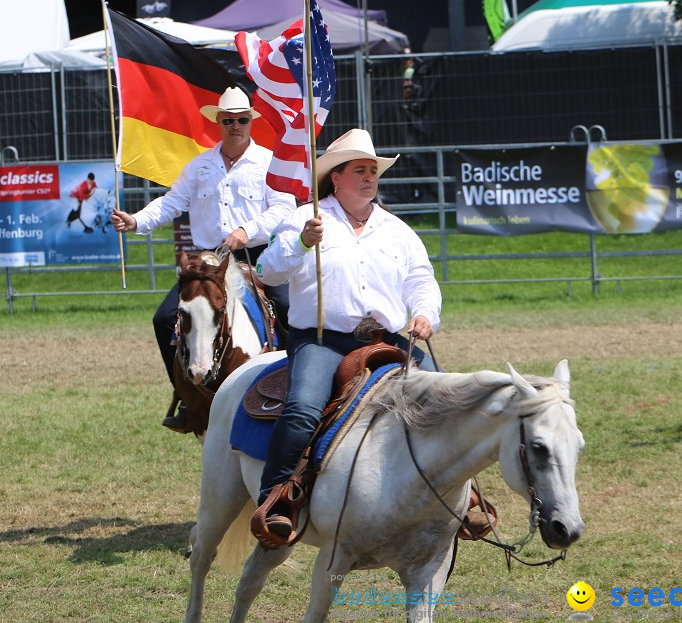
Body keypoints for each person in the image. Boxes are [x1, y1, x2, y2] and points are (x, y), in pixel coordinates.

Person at [253, 128, 441, 539]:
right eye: (360, 170)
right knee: (303, 409)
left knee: (441, 400)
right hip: (320, 340)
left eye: (373, 170)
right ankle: (276, 499)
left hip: (386, 341)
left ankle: (454, 499)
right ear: (336, 177)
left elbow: (422, 280)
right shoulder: (305, 218)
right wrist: (301, 243)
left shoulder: (397, 230)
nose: (370, 177)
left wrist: (425, 313)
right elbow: (267, 271)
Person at [111, 86, 296, 428]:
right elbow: (171, 203)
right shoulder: (199, 167)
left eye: (242, 119)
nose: (235, 126)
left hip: (258, 255)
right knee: (164, 318)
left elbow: (285, 207)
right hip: (208, 260)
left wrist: (248, 230)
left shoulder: (268, 163)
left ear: (251, 122)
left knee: (289, 309)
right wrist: (136, 221)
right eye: (228, 120)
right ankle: (187, 398)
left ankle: (293, 390)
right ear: (219, 122)